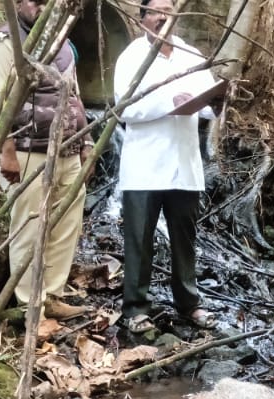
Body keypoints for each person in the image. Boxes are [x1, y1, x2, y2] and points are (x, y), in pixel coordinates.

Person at [112, 0, 223, 333]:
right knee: (140, 238)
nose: (163, 17)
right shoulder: (132, 57)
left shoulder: (192, 56)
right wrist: (168, 103)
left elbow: (204, 104)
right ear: (142, 17)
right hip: (145, 165)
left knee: (184, 239)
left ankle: (189, 303)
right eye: (156, 11)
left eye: (169, 9)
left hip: (185, 163)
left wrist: (215, 103)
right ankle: (135, 308)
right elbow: (125, 108)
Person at [0, 0, 94, 321]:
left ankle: (51, 297)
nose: (41, 6)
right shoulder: (2, 46)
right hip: (28, 154)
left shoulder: (64, 46)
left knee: (64, 224)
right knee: (29, 228)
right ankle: (30, 305)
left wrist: (86, 144)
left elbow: (74, 97)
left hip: (67, 151)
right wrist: (7, 153)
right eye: (34, 0)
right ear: (17, 3)